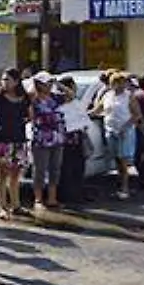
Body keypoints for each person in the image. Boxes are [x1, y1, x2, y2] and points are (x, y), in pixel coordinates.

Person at [93, 72, 142, 199]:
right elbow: (98, 110)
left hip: (125, 131)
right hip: (110, 130)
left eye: (121, 82)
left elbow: (137, 115)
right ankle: (119, 185)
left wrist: (125, 127)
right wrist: (82, 114)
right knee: (116, 159)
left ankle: (125, 188)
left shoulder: (129, 96)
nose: (118, 85)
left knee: (123, 160)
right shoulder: (107, 95)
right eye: (115, 82)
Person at [0, 69, 29, 217]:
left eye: (8, 79)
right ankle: (2, 206)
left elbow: (29, 115)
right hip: (3, 140)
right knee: (2, 175)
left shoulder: (23, 97)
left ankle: (16, 205)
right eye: (3, 79)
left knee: (15, 175)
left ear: (16, 81)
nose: (4, 82)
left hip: (19, 139)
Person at [28, 72, 66, 210]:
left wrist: (58, 83)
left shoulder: (55, 97)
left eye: (50, 83)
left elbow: (71, 96)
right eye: (46, 83)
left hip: (57, 137)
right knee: (40, 169)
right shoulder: (34, 99)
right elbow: (30, 115)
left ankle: (52, 198)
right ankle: (38, 199)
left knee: (55, 168)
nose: (48, 85)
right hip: (41, 138)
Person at [57, 75, 88, 204]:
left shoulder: (76, 102)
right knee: (67, 168)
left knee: (78, 168)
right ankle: (67, 195)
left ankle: (78, 193)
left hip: (77, 137)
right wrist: (59, 85)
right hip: (65, 139)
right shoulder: (60, 101)